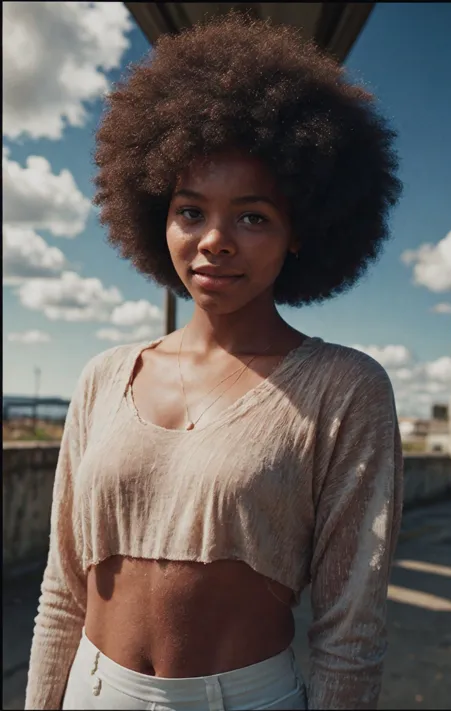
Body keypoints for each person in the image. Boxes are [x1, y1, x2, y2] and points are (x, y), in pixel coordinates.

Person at [25, 12, 404, 711]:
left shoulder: (345, 389)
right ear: (155, 217)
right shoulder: (105, 376)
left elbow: (350, 631)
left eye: (253, 216)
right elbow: (62, 590)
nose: (215, 241)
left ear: (301, 231)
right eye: (190, 211)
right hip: (92, 686)